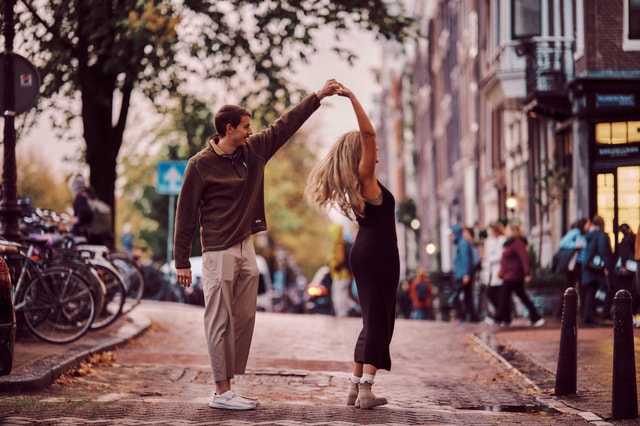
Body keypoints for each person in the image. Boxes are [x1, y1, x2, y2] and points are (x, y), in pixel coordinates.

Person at [173, 79, 341, 411]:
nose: (252, 131)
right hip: (217, 249)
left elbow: (286, 124)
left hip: (245, 245)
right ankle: (221, 392)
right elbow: (186, 214)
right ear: (228, 129)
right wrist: (181, 261)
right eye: (246, 126)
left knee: (244, 316)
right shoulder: (199, 165)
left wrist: (318, 96)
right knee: (218, 318)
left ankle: (229, 383)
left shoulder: (254, 150)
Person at [305, 84, 399, 410]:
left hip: (366, 252)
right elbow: (369, 134)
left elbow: (370, 138)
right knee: (380, 321)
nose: (376, 152)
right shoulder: (366, 178)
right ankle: (368, 391)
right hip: (378, 254)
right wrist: (353, 98)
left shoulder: (360, 184)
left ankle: (355, 386)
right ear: (360, 152)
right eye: (370, 149)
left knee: (371, 318)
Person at [494, 222, 545, 327]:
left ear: (513, 231)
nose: (506, 232)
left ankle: (498, 318)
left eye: (508, 230)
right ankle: (534, 317)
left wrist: (527, 273)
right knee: (520, 296)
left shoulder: (517, 243)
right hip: (509, 275)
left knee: (504, 296)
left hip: (513, 275)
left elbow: (524, 258)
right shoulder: (510, 243)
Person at [580, 214, 614, 325]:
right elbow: (602, 251)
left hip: (590, 268)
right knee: (609, 288)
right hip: (597, 269)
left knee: (591, 291)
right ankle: (602, 314)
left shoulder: (589, 236)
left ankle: (588, 316)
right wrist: (605, 267)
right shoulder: (600, 235)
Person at [553, 217, 589, 318]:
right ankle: (561, 311)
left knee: (581, 287)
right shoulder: (576, 232)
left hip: (581, 265)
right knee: (570, 287)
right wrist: (576, 245)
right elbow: (563, 242)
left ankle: (581, 312)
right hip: (575, 265)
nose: (589, 227)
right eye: (587, 224)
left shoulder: (583, 234)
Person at [449, 224, 479, 323]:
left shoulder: (462, 244)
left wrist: (465, 274)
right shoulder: (462, 243)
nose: (451, 236)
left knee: (455, 297)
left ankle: (463, 317)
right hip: (463, 274)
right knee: (468, 297)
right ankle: (473, 318)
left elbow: (466, 259)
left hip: (462, 275)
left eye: (452, 234)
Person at [611, 224, 638, 317]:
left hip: (627, 269)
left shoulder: (625, 241)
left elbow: (624, 254)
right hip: (633, 268)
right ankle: (630, 312)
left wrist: (623, 265)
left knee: (626, 290)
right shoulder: (633, 238)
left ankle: (626, 312)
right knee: (631, 290)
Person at [329, 223, 355, 317]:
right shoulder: (343, 242)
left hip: (340, 274)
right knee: (344, 294)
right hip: (345, 274)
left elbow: (340, 259)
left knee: (338, 294)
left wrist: (334, 265)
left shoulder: (338, 244)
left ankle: (342, 314)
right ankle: (347, 311)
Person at [482, 221, 506, 323]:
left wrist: (488, 258)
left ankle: (499, 316)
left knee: (496, 294)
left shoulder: (502, 240)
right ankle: (501, 316)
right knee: (493, 294)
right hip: (493, 273)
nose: (490, 233)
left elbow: (500, 255)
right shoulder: (493, 241)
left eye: (491, 231)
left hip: (499, 272)